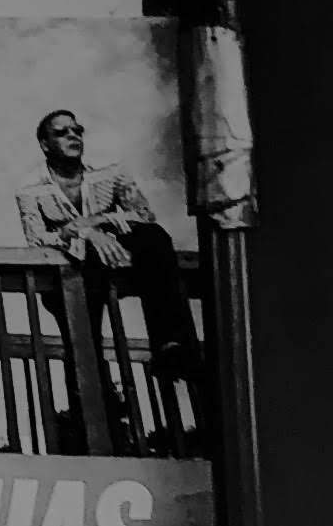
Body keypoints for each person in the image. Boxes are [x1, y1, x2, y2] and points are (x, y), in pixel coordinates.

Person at [14, 109, 203, 383]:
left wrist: (97, 222)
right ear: (45, 144)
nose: (73, 136)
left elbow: (144, 215)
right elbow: (37, 240)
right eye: (62, 132)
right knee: (83, 350)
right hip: (70, 271)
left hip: (111, 254)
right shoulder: (29, 188)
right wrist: (82, 233)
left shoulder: (110, 170)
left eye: (77, 130)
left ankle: (170, 345)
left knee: (154, 237)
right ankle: (95, 393)